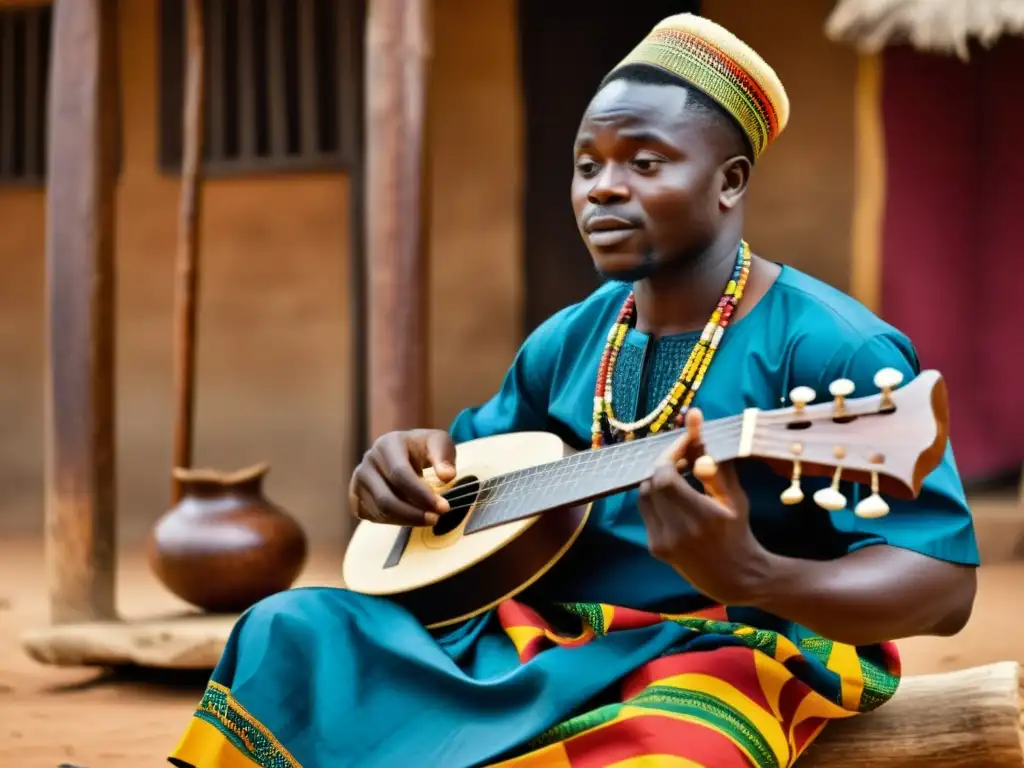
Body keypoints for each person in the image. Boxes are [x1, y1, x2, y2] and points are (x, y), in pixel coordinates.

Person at [169, 13, 978, 768]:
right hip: (543, 638)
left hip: (727, 648)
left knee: (673, 746)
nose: (602, 188)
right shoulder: (572, 338)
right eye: (587, 164)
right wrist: (399, 470)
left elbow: (941, 585)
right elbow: (470, 478)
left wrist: (758, 576)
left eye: (645, 162)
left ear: (729, 182)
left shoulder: (835, 346)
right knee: (290, 629)